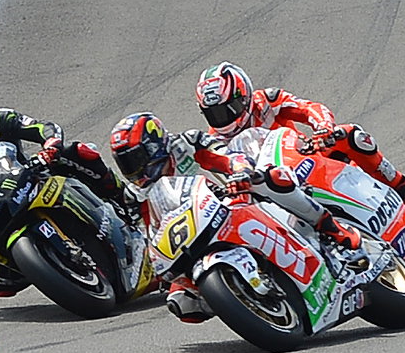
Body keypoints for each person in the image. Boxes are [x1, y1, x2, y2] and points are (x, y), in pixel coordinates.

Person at [108, 111, 367, 323]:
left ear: (155, 145)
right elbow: (148, 231)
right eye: (126, 163)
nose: (135, 169)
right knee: (182, 304)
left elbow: (224, 155)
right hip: (191, 232)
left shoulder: (185, 144)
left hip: (233, 197)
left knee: (273, 179)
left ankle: (332, 229)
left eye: (137, 158)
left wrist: (239, 171)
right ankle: (244, 296)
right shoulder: (135, 194)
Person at [0, 86, 140, 296]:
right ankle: (50, 265)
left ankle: (124, 199)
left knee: (76, 152)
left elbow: (42, 128)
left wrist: (50, 145)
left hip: (32, 176)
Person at [193, 61, 405, 226]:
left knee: (352, 135)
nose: (225, 118)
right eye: (215, 113)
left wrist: (323, 128)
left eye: (229, 109)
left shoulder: (266, 101)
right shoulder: (214, 141)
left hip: (306, 156)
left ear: (244, 95)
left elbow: (309, 108)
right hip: (274, 188)